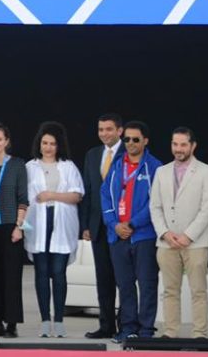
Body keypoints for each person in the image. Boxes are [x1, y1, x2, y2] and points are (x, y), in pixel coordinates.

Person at [149, 127, 208, 339]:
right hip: (167, 242)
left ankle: (199, 333)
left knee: (198, 290)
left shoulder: (207, 171)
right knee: (169, 290)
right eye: (175, 144)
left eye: (183, 144)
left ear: (193, 146)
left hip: (196, 242)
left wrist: (188, 235)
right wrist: (164, 233)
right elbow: (155, 206)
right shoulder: (161, 171)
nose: (178, 149)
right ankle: (170, 332)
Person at [101, 120, 161, 342]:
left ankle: (145, 331)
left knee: (147, 284)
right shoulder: (117, 165)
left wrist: (133, 224)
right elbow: (105, 195)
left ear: (145, 141)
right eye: (126, 139)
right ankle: (127, 329)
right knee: (124, 285)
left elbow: (156, 202)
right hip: (118, 235)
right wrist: (114, 224)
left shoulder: (155, 167)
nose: (130, 143)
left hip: (143, 235)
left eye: (136, 139)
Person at [24, 122, 83, 338]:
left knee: (58, 273)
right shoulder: (30, 167)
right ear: (39, 144)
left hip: (62, 223)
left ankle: (59, 321)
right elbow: (23, 197)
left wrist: (52, 196)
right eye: (45, 143)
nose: (48, 147)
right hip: (37, 222)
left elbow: (77, 195)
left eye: (52, 144)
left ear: (59, 146)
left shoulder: (68, 166)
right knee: (41, 273)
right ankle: (44, 321)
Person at [0, 122, 29, 337]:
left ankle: (12, 323)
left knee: (11, 276)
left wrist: (19, 226)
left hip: (11, 227)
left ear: (7, 141)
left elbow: (23, 199)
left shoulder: (17, 165)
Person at [80, 113, 125, 339]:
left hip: (122, 227)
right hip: (98, 227)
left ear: (120, 131)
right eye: (100, 129)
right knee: (104, 279)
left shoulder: (128, 152)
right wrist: (86, 224)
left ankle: (126, 325)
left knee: (124, 279)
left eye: (109, 129)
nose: (104, 133)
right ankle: (106, 326)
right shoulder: (92, 154)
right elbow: (87, 191)